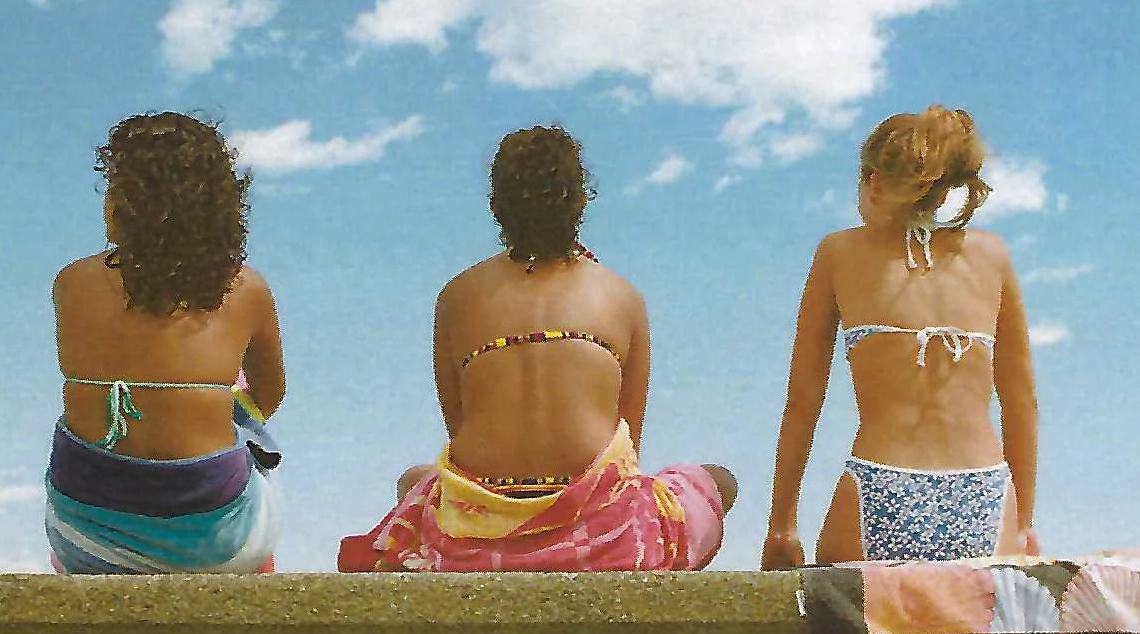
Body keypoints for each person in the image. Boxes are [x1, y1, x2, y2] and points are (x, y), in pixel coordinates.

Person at [340, 125, 736, 573]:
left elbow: (459, 424)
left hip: (471, 542)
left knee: (414, 480)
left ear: (498, 206)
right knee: (718, 481)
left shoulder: (456, 295)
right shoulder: (622, 296)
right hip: (605, 542)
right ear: (579, 200)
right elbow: (626, 446)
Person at [762, 106, 1038, 569]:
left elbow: (804, 400)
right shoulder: (991, 255)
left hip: (880, 487)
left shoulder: (839, 252)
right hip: (982, 493)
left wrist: (782, 526)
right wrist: (1024, 523)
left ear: (873, 182)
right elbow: (1021, 398)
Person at [46, 111, 287, 574]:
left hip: (87, 538)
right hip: (218, 543)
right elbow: (269, 396)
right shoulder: (247, 289)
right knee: (244, 425)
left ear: (121, 205)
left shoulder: (72, 283)